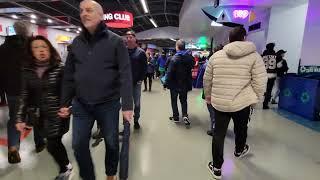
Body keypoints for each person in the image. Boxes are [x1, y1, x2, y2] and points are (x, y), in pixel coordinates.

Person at [59, 1, 133, 180]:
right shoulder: (76, 43)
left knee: (112, 143)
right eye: (81, 10)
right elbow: (69, 75)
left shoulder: (115, 41)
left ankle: (110, 174)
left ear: (101, 15)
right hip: (81, 104)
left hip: (109, 103)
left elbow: (125, 74)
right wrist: (64, 102)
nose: (84, 13)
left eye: (89, 10)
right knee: (78, 145)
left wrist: (127, 105)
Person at [203, 27, 267, 179]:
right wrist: (255, 100)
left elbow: (207, 78)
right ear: (244, 38)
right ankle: (239, 150)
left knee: (218, 134)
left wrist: (208, 96)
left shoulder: (216, 56)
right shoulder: (254, 57)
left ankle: (217, 168)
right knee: (241, 128)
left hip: (220, 103)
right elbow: (260, 80)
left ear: (229, 39)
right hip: (243, 102)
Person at [15, 35, 72, 180]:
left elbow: (70, 90)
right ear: (31, 51)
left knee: (52, 143)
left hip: (58, 114)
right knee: (53, 143)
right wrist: (20, 118)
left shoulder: (60, 68)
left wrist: (68, 107)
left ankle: (65, 168)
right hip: (39, 116)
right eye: (36, 47)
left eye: (44, 47)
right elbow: (24, 95)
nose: (41, 50)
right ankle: (66, 166)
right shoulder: (27, 71)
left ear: (50, 49)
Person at [0, 21, 45, 164]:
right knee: (36, 114)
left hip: (11, 90)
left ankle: (13, 149)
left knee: (14, 118)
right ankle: (40, 143)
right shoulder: (32, 47)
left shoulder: (2, 48)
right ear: (28, 31)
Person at [165, 39, 194, 126]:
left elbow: (169, 72)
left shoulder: (174, 58)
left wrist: (165, 83)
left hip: (174, 84)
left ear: (177, 47)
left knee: (174, 100)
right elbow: (192, 66)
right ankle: (185, 115)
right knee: (184, 100)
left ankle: (176, 117)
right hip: (185, 83)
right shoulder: (190, 58)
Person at [125, 30, 147, 129]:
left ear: (135, 39)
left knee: (137, 104)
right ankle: (126, 124)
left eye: (131, 37)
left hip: (136, 83)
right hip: (125, 83)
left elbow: (144, 68)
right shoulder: (123, 51)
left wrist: (140, 79)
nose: (128, 39)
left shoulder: (141, 52)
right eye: (127, 37)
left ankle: (136, 120)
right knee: (126, 105)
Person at [262, 42, 277, 109]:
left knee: (261, 89)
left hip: (263, 74)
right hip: (272, 74)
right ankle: (265, 103)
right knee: (269, 89)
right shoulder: (275, 55)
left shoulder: (263, 55)